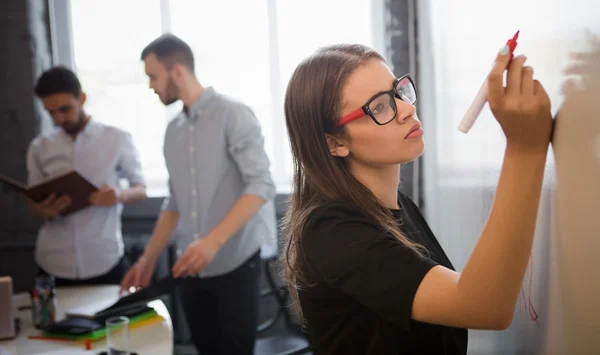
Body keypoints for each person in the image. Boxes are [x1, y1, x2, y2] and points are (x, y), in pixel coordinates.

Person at [281, 44, 553, 354]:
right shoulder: (332, 233)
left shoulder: (397, 205)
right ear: (335, 143)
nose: (407, 108)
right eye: (380, 106)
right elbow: (484, 306)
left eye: (398, 91)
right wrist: (525, 148)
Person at [120, 34, 277, 354]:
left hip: (234, 262)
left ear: (177, 72)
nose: (151, 86)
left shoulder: (234, 114)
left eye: (153, 76)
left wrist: (212, 241)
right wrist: (148, 259)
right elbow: (175, 202)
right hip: (189, 268)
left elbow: (261, 184)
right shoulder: (172, 132)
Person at [28, 66, 147, 286]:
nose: (59, 118)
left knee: (110, 319)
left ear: (81, 98)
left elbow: (140, 189)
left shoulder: (117, 138)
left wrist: (118, 195)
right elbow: (34, 206)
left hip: (104, 258)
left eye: (65, 109)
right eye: (51, 112)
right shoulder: (39, 147)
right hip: (53, 260)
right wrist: (43, 210)